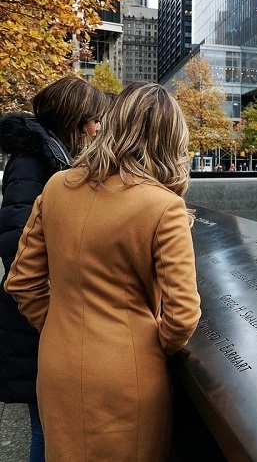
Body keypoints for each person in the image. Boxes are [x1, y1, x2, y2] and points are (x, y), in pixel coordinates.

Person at [4, 81, 202, 461]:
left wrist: (59, 324)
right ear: (170, 140)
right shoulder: (164, 207)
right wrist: (144, 346)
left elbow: (22, 282)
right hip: (127, 375)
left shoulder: (57, 187)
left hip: (57, 363)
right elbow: (182, 316)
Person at [0, 75, 108, 462]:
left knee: (52, 429)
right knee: (47, 432)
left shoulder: (50, 158)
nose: (98, 128)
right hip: (35, 324)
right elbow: (18, 247)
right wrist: (53, 317)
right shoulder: (34, 163)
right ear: (76, 120)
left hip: (41, 320)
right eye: (95, 120)